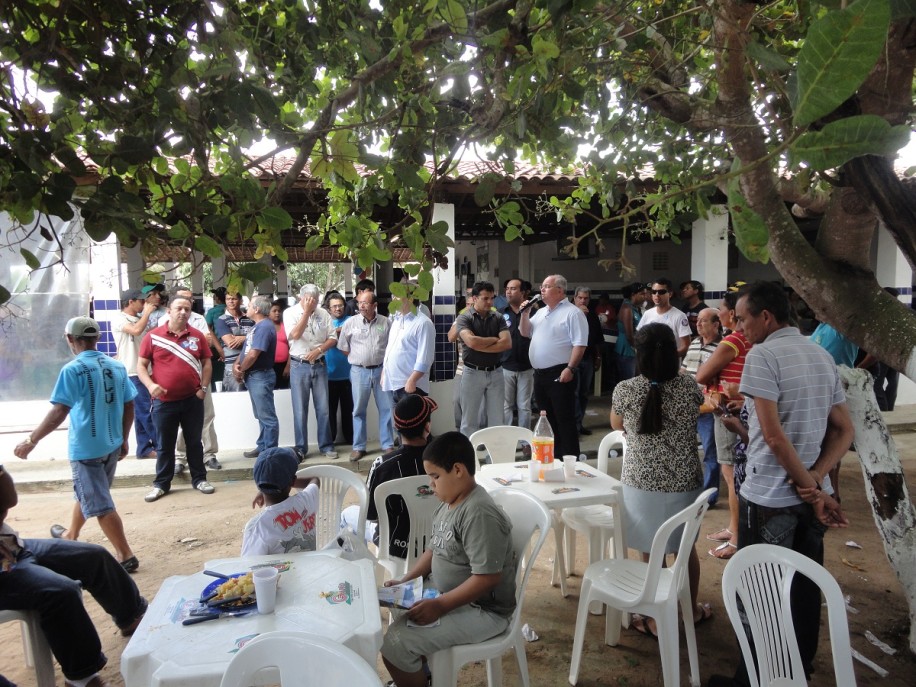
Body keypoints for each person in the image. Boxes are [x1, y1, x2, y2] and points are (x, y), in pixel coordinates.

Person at [707, 281, 853, 687]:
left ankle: (754, 678)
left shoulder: (763, 355)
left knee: (760, 594)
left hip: (769, 497)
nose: (738, 326)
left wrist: (811, 484)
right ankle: (796, 672)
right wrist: (818, 481)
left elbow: (774, 437)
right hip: (806, 499)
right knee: (804, 589)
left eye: (742, 318)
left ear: (766, 317)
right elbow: (844, 430)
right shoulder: (820, 354)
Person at [380, 432, 517, 687]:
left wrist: (440, 605)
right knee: (401, 622)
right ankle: (425, 675)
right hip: (447, 593)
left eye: (435, 477)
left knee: (395, 647)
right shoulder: (449, 503)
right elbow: (433, 550)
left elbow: (487, 578)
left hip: (484, 611)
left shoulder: (478, 512)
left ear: (457, 470)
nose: (431, 484)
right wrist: (406, 580)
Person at [0, 465, 147, 687]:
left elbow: (8, 499)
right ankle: (82, 679)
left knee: (93, 556)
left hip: (12, 546)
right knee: (60, 591)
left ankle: (132, 618)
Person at [14, 317, 140, 572]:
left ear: (70, 339)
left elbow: (60, 410)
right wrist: (124, 438)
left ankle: (126, 555)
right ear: (97, 338)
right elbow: (129, 405)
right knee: (89, 492)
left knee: (101, 504)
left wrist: (31, 440)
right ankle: (71, 534)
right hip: (111, 444)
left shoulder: (72, 370)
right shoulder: (117, 367)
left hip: (86, 449)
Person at [610, 323, 711, 637]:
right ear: (674, 352)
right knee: (685, 550)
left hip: (641, 483)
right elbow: (698, 412)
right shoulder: (689, 387)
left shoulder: (625, 390)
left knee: (649, 552)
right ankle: (690, 612)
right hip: (685, 483)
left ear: (639, 355)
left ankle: (653, 619)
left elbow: (617, 424)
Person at [138, 295, 215, 502]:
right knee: (164, 445)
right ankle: (161, 484)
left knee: (194, 443)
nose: (183, 312)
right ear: (169, 311)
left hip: (192, 400)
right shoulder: (153, 336)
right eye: (179, 308)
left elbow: (207, 363)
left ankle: (200, 479)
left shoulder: (197, 336)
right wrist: (150, 385)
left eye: (187, 309)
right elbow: (141, 366)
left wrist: (203, 388)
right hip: (164, 403)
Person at [340, 393, 437, 550]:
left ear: (396, 427)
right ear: (427, 427)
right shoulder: (443, 460)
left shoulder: (382, 466)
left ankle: (362, 568)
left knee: (346, 515)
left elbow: (370, 515)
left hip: (394, 545)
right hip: (435, 544)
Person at [696, 289, 752, 558]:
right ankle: (733, 527)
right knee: (733, 473)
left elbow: (702, 373)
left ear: (731, 314)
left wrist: (711, 379)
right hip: (739, 407)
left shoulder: (734, 341)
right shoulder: (750, 340)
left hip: (728, 410)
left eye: (720, 309)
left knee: (731, 475)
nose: (718, 313)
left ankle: (738, 537)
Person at [519, 274, 588, 460]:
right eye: (542, 286)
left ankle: (571, 459)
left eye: (547, 286)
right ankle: (554, 458)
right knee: (547, 419)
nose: (542, 289)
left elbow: (579, 344)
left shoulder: (573, 313)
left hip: (560, 372)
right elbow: (525, 333)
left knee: (564, 418)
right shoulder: (541, 312)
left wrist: (571, 368)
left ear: (560, 290)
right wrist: (525, 314)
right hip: (540, 375)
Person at [160, 286, 221, 471]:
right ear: (172, 304)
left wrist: (191, 340)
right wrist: (194, 341)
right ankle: (180, 458)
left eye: (190, 300)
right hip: (177, 379)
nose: (187, 305)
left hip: (201, 375)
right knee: (180, 419)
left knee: (207, 415)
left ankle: (209, 455)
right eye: (183, 301)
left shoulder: (198, 318)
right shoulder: (163, 320)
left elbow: (207, 342)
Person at [337, 289, 395, 461]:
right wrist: (359, 359)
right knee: (358, 410)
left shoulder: (386, 322)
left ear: (375, 305)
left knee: (386, 408)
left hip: (381, 370)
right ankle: (359, 447)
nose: (361, 306)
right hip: (358, 371)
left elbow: (391, 347)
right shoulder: (350, 323)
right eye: (359, 302)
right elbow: (343, 347)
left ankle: (387, 445)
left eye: (365, 303)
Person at [284, 284, 339, 461]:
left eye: (315, 300)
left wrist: (319, 350)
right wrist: (306, 313)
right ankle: (301, 448)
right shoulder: (290, 313)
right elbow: (295, 335)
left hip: (320, 364)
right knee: (300, 409)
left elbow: (333, 337)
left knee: (323, 409)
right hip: (299, 365)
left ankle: (326, 445)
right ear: (301, 298)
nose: (312, 303)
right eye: (309, 300)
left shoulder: (323, 314)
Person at [453, 281, 511, 436]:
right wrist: (494, 339)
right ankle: (469, 458)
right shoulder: (464, 318)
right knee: (469, 422)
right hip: (472, 372)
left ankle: (494, 458)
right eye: (485, 298)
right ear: (474, 298)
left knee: (497, 420)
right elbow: (471, 342)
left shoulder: (498, 317)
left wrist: (480, 344)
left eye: (492, 298)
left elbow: (506, 343)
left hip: (496, 372)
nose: (490, 302)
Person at [241, 447, 321, 556]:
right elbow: (315, 480)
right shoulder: (306, 499)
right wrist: (287, 482)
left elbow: (249, 567)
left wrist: (265, 487)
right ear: (293, 481)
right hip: (311, 571)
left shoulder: (257, 527)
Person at [679, 308, 721, 509]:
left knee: (711, 451)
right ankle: (689, 490)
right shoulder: (694, 343)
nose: (699, 324)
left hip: (707, 407)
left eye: (704, 321)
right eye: (698, 320)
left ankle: (709, 496)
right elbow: (685, 370)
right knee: (685, 449)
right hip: (688, 404)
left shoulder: (722, 347)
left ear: (716, 324)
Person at [111, 288, 158, 459]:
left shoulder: (139, 319)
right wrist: (146, 313)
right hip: (131, 372)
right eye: (141, 301)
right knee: (146, 410)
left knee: (140, 412)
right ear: (130, 302)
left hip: (143, 370)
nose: (144, 304)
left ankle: (144, 448)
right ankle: (161, 446)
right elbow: (136, 330)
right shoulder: (119, 319)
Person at [234, 296, 279, 457]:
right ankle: (263, 446)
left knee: (267, 416)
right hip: (255, 376)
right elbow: (247, 350)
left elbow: (253, 354)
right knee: (261, 415)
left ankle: (270, 452)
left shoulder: (264, 327)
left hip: (260, 375)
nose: (247, 307)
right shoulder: (257, 326)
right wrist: (237, 364)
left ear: (257, 309)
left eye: (250, 305)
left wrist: (241, 370)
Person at [383, 291, 435, 404]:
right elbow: (390, 348)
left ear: (410, 299)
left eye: (397, 295)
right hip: (392, 384)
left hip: (411, 386)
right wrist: (384, 372)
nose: (393, 299)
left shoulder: (423, 323)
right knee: (395, 421)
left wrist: (412, 380)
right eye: (392, 295)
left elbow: (425, 358)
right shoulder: (397, 320)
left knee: (413, 421)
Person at [501, 278, 534, 428]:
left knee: (524, 406)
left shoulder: (534, 312)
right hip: (505, 366)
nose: (509, 291)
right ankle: (507, 438)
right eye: (507, 288)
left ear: (523, 293)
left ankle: (525, 439)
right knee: (506, 406)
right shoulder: (501, 313)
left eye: (513, 289)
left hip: (527, 366)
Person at [573, 286, 603, 436]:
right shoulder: (569, 314)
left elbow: (597, 338)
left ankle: (579, 423)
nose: (583, 301)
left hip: (588, 358)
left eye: (586, 298)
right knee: (574, 392)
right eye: (580, 298)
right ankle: (573, 426)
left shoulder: (592, 316)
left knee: (584, 393)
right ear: (574, 298)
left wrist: (597, 356)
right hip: (572, 360)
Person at [637, 278, 691, 357]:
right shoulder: (647, 314)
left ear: (670, 294)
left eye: (661, 292)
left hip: (670, 366)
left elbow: (686, 346)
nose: (657, 295)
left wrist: (667, 357)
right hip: (649, 363)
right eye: (654, 292)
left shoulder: (679, 316)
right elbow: (639, 337)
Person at [326, 293, 354, 446]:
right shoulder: (325, 321)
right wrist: (335, 331)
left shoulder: (350, 320)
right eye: (334, 306)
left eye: (340, 305)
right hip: (329, 375)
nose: (338, 308)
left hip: (348, 375)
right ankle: (330, 441)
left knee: (349, 409)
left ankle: (351, 440)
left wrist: (333, 332)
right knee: (330, 411)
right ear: (329, 309)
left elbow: (350, 329)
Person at [215, 291, 254, 392]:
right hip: (232, 367)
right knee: (235, 399)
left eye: (234, 299)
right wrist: (249, 338)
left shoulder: (250, 319)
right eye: (228, 299)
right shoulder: (222, 320)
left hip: (251, 364)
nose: (231, 301)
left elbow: (258, 337)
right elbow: (230, 343)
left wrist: (243, 338)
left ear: (241, 301)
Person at [616, 282, 648, 381]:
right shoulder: (627, 308)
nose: (645, 296)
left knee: (637, 379)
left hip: (633, 349)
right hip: (627, 349)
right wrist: (639, 350)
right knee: (629, 382)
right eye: (642, 294)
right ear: (633, 294)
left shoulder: (635, 308)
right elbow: (629, 335)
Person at [205, 287, 227, 391]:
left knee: (216, 370)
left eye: (215, 296)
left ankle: (217, 389)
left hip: (216, 346)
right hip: (231, 344)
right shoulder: (231, 310)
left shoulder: (212, 311)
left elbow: (207, 327)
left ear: (217, 298)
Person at [270, 299, 291, 390]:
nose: (277, 313)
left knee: (284, 391)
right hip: (270, 366)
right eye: (274, 311)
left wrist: (288, 366)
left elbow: (291, 347)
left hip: (284, 365)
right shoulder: (265, 326)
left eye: (279, 311)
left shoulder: (285, 326)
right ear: (268, 312)